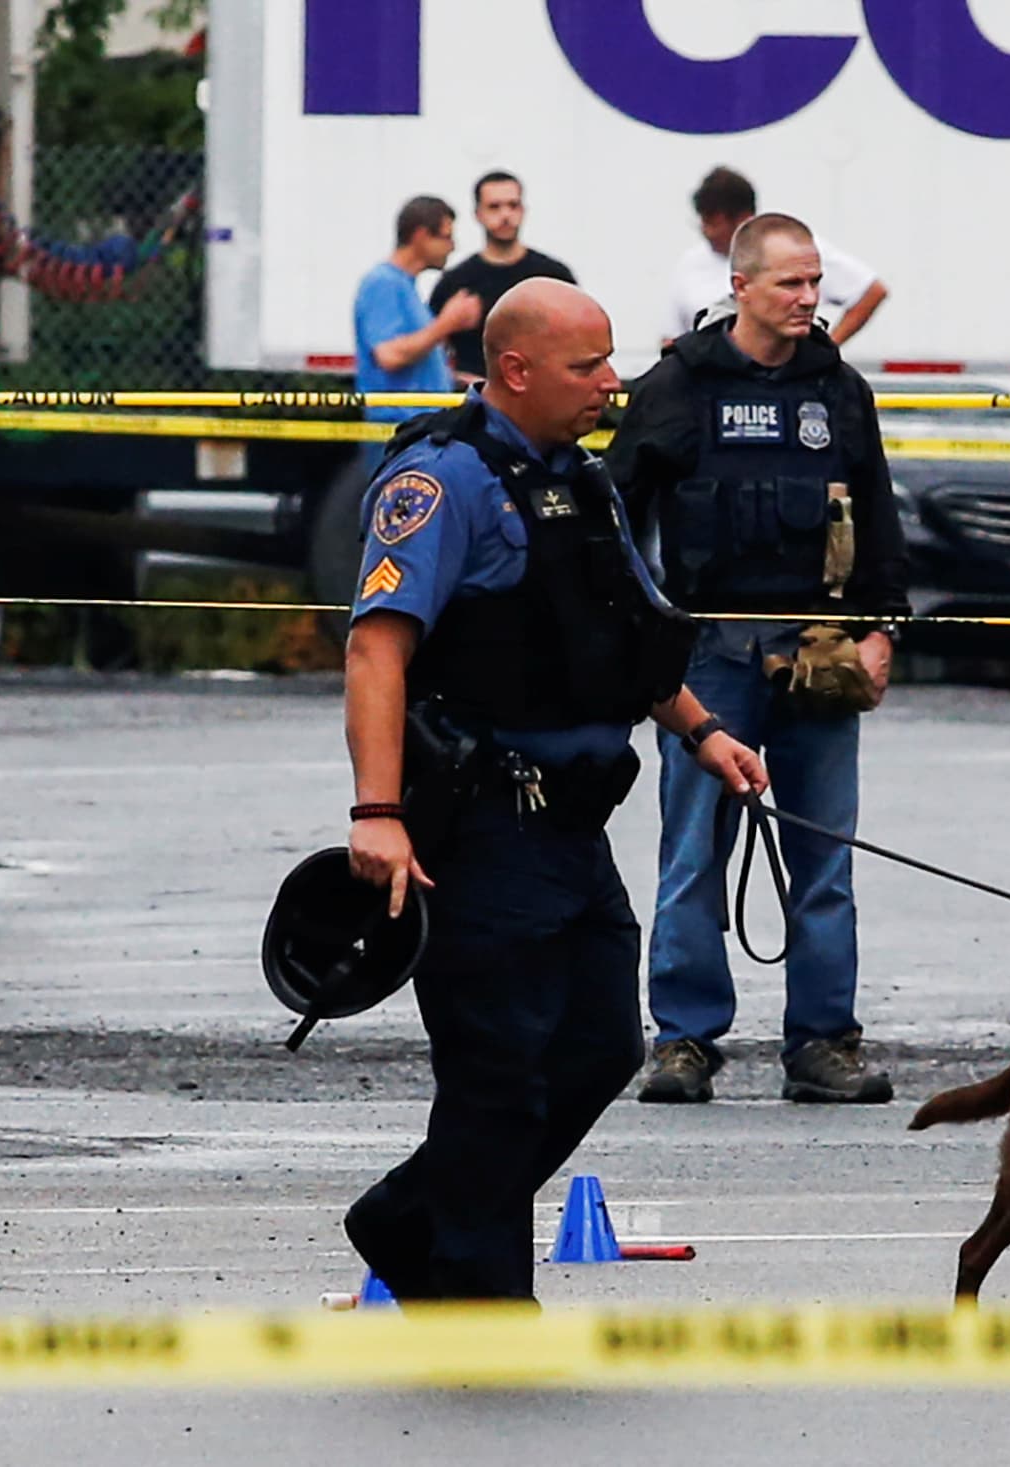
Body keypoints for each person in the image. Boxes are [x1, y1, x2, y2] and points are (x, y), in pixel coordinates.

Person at [340, 279, 767, 1300]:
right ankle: (479, 1299)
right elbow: (374, 652)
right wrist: (377, 813)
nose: (610, 383)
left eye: (610, 360)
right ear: (516, 370)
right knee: (496, 1077)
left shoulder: (584, 483)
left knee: (599, 1046)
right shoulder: (443, 481)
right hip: (481, 825)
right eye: (588, 367)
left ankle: (408, 1218)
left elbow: (614, 642)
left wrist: (705, 733)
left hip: (574, 831)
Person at [613, 213, 911, 1106]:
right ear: (740, 286)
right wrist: (641, 636)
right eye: (791, 283)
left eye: (816, 282)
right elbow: (615, 517)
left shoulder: (839, 389)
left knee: (824, 855)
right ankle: (683, 1040)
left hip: (820, 650)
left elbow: (882, 519)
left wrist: (884, 629)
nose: (811, 299)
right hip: (709, 655)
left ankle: (824, 1042)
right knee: (694, 853)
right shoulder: (678, 385)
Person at [663, 167, 889, 349]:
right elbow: (673, 336)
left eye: (713, 223)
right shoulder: (690, 264)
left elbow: (870, 290)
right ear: (738, 286)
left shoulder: (793, 253)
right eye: (702, 222)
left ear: (743, 218)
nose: (706, 231)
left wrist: (826, 350)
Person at [430, 172, 577, 385]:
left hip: (543, 400)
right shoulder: (455, 283)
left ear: (523, 210)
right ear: (478, 214)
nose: (505, 215)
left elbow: (578, 343)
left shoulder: (554, 276)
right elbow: (433, 355)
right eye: (494, 207)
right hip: (476, 403)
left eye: (513, 205)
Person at [354, 196, 477, 424]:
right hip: (396, 430)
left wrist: (454, 381)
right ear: (420, 236)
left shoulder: (404, 286)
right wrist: (446, 324)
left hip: (416, 427)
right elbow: (390, 356)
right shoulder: (383, 283)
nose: (453, 246)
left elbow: (412, 359)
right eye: (446, 237)